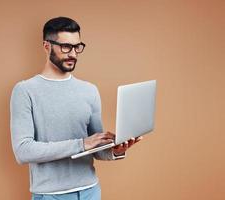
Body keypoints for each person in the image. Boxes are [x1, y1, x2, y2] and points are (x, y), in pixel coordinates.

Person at [10, 16, 143, 200]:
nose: (72, 53)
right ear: (47, 46)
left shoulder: (89, 90)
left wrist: (115, 150)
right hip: (51, 195)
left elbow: (95, 148)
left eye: (77, 47)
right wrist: (80, 144)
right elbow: (23, 151)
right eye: (66, 47)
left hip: (91, 191)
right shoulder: (25, 90)